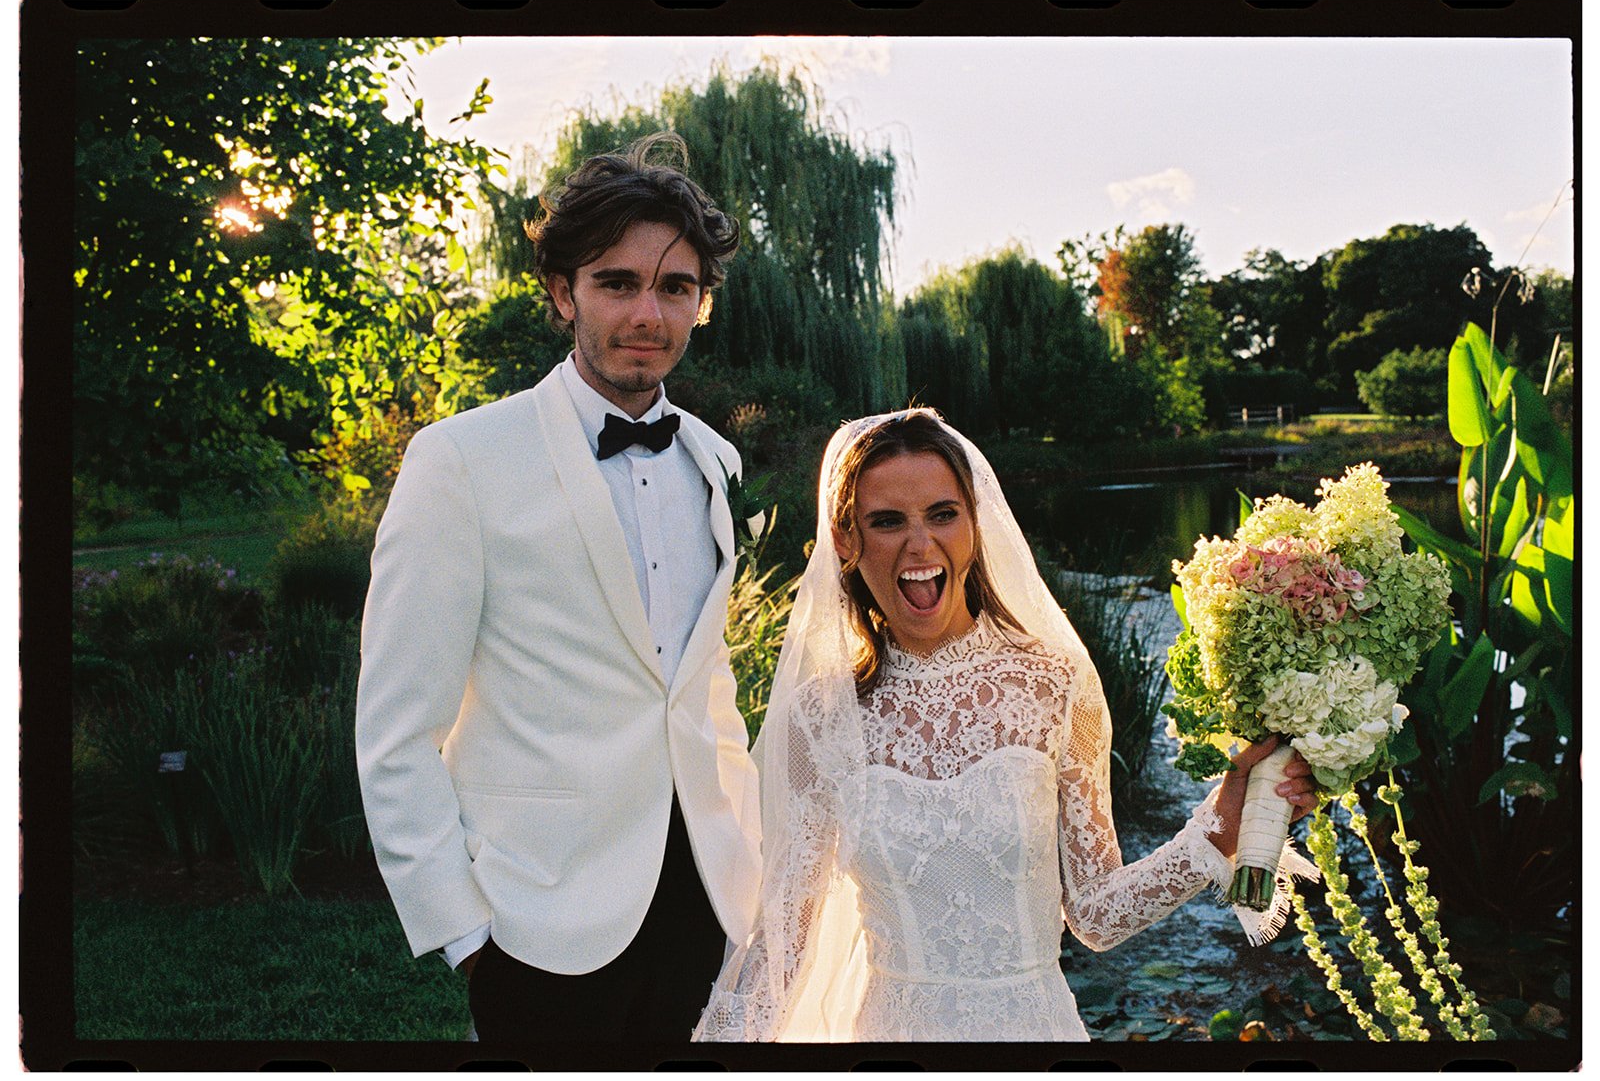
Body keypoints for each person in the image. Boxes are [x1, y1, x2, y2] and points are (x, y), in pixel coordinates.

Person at [693, 409, 1316, 1042]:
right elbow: (783, 943)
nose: (920, 545)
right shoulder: (819, 717)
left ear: (975, 525)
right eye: (887, 521)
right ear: (848, 541)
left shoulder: (1053, 683)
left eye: (942, 514)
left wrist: (1219, 827)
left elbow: (1097, 913)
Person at [355, 132, 762, 1043]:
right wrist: (465, 934)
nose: (647, 313)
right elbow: (395, 732)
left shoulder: (712, 460)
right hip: (538, 930)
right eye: (617, 282)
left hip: (709, 904)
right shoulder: (459, 461)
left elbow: (704, 694)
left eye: (675, 287)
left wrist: (756, 863)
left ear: (702, 302)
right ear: (561, 290)